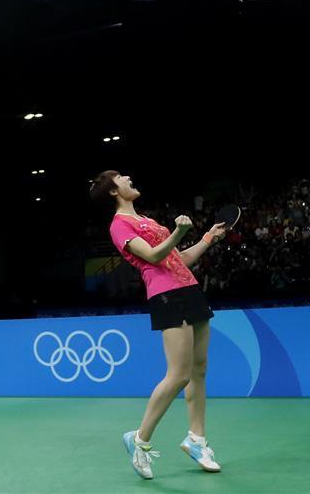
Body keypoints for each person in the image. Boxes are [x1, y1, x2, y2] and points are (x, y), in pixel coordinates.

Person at [89, 171, 226, 480]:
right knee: (178, 375)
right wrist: (177, 232)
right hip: (166, 296)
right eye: (120, 177)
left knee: (199, 369)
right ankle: (139, 440)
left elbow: (180, 260)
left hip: (189, 289)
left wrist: (206, 238)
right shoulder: (119, 226)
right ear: (113, 191)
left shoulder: (149, 222)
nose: (127, 177)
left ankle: (197, 439)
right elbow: (152, 256)